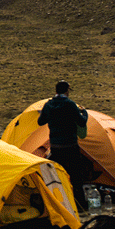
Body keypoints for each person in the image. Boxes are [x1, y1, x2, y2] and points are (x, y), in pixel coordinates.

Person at [36, 81, 92, 212]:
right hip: (71, 145)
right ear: (66, 91)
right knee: (76, 175)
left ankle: (61, 203)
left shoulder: (49, 105)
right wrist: (85, 114)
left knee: (59, 175)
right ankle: (80, 205)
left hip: (56, 146)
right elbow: (81, 121)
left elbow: (40, 122)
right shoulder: (70, 104)